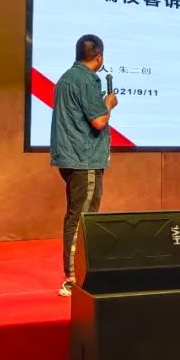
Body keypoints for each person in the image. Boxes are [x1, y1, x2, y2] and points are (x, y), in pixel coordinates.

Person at [50, 34, 118, 297]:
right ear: (99, 56)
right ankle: (73, 278)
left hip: (70, 157)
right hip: (84, 157)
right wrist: (108, 104)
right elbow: (99, 121)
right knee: (81, 218)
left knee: (76, 215)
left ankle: (77, 273)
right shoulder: (88, 79)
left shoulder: (66, 78)